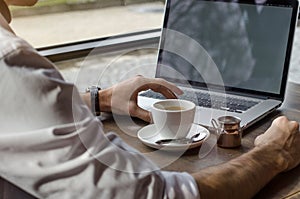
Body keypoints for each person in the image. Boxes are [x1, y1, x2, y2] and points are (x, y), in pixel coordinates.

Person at [0, 1, 300, 199]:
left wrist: (101, 99)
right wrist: (273, 154)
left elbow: (20, 110)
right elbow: (154, 194)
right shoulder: (9, 60)